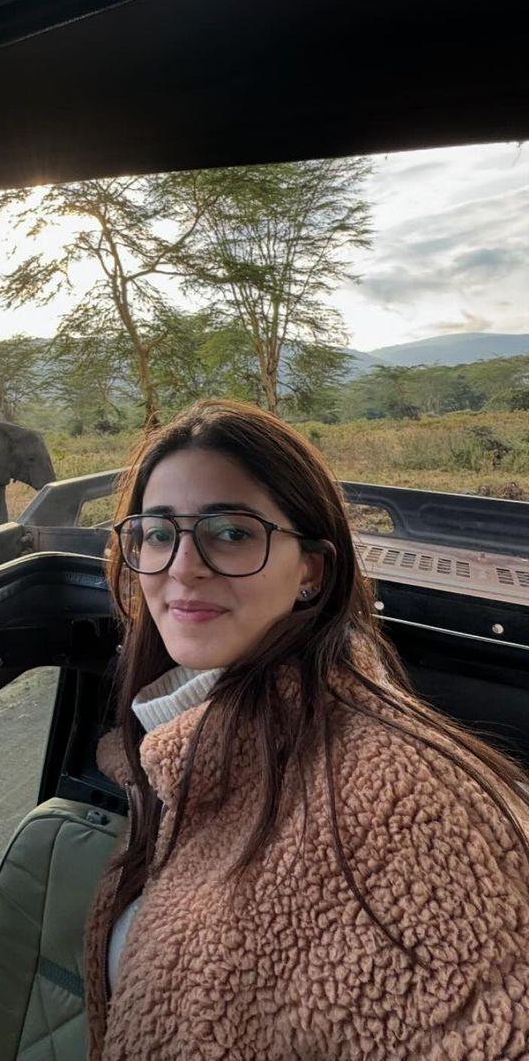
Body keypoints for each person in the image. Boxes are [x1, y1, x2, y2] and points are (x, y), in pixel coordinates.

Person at [83, 399, 529, 1060]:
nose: (181, 566)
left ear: (311, 572)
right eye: (156, 533)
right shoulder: (177, 756)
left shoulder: (414, 809)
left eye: (230, 532)